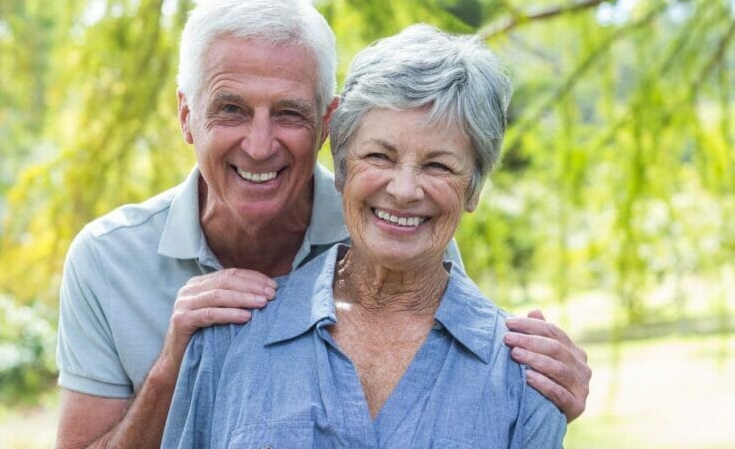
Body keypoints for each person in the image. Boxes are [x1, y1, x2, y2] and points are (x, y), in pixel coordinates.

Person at [55, 0, 590, 449]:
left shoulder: (402, 232)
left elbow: (455, 368)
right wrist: (173, 365)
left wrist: (545, 384)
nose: (260, 145)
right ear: (186, 116)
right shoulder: (109, 260)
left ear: (326, 127)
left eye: (288, 112)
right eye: (231, 109)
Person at [162, 23, 566, 448]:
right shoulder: (225, 340)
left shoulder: (527, 377)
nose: (405, 190)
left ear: (473, 188)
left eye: (439, 166)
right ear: (341, 169)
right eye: (379, 156)